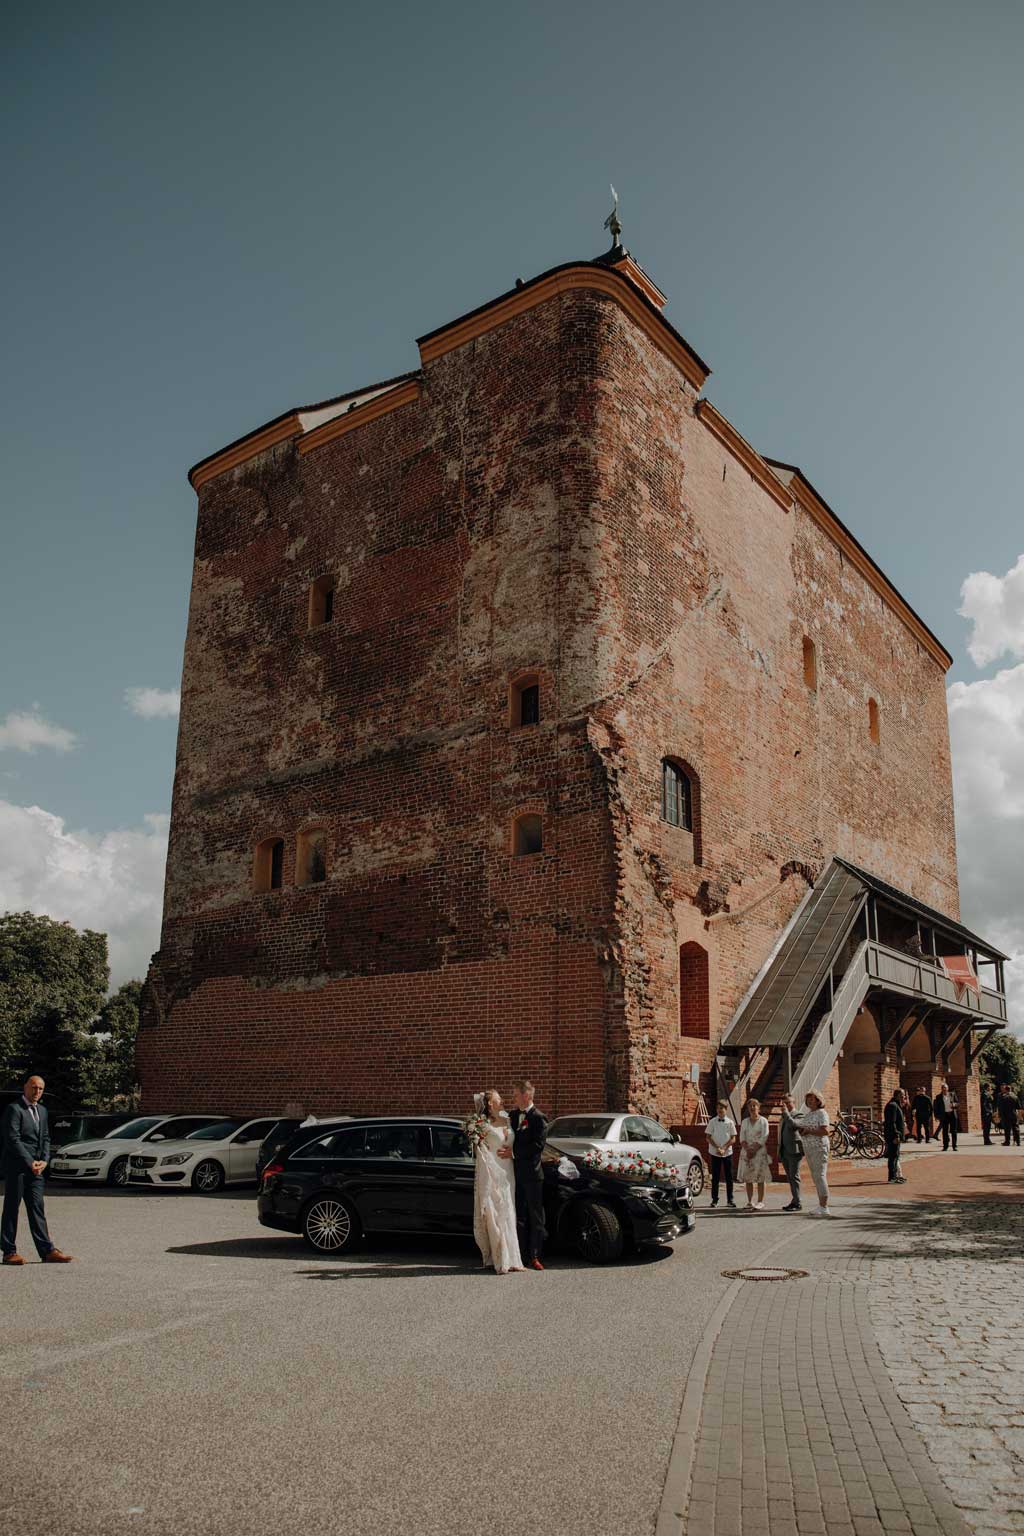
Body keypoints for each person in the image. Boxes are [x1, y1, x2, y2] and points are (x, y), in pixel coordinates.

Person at [1, 1075, 74, 1265]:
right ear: (25, 1087)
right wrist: (29, 1161)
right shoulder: (14, 1109)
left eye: (40, 1089)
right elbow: (13, 1139)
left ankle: (47, 1251)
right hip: (17, 1168)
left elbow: (46, 1138)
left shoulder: (42, 1110)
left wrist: (44, 1161)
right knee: (11, 1209)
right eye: (34, 1087)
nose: (37, 1092)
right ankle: (9, 1252)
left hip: (36, 1171)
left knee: (37, 1208)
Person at [469, 1090, 525, 1275]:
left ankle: (514, 1258)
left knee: (510, 1211)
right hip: (494, 1174)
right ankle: (502, 1259)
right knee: (499, 1213)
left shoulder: (507, 1119)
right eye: (498, 1099)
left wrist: (514, 1153)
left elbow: (515, 1144)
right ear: (490, 1103)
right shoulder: (482, 1125)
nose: (502, 1101)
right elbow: (482, 1155)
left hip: (509, 1172)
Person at [500, 1079, 547, 1270]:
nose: (513, 1098)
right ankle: (518, 1254)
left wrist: (513, 1153)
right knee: (518, 1215)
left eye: (516, 1094)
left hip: (533, 1176)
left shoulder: (539, 1118)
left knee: (535, 1216)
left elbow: (538, 1147)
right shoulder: (512, 1115)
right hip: (513, 1174)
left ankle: (535, 1255)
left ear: (526, 1095)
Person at [794, 1089, 833, 1217]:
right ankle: (821, 1205)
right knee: (816, 1177)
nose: (810, 1102)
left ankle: (824, 1206)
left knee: (820, 1175)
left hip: (819, 1147)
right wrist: (802, 1131)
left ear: (818, 1100)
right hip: (808, 1148)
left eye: (813, 1099)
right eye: (808, 1100)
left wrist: (809, 1131)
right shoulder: (809, 1114)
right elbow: (805, 1128)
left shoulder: (822, 1113)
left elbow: (825, 1131)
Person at [736, 1097, 770, 1211]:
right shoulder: (745, 1122)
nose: (752, 1108)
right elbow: (741, 1137)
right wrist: (748, 1149)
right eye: (750, 1106)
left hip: (759, 1152)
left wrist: (754, 1149)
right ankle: (750, 1201)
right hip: (746, 1153)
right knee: (748, 1178)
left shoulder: (763, 1121)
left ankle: (760, 1202)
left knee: (760, 1178)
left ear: (758, 1108)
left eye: (754, 1105)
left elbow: (764, 1136)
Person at [705, 1100, 737, 1208]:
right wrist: (717, 1148)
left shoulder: (730, 1122)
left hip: (727, 1153)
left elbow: (733, 1138)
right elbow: (708, 1137)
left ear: (726, 1110)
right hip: (715, 1152)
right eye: (718, 1108)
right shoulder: (712, 1122)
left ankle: (730, 1200)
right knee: (715, 1177)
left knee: (729, 1177)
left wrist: (724, 1148)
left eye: (722, 1108)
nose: (720, 1110)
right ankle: (714, 1200)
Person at [778, 1094, 804, 1212]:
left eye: (788, 1102)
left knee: (794, 1176)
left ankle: (798, 1202)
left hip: (795, 1150)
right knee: (790, 1177)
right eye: (784, 1103)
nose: (786, 1105)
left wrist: (786, 1113)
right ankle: (794, 1200)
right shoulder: (784, 1116)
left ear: (794, 1102)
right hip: (784, 1150)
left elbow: (793, 1126)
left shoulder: (798, 1114)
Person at [883, 1089, 907, 1183]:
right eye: (902, 1095)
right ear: (897, 1095)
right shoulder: (892, 1105)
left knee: (896, 1155)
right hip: (893, 1135)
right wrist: (896, 1135)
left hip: (896, 1135)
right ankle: (892, 1177)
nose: (903, 1096)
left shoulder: (896, 1105)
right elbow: (891, 1123)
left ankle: (896, 1176)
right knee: (892, 1156)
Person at [933, 1081, 959, 1151]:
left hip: (952, 1114)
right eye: (943, 1088)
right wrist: (937, 1116)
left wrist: (954, 1105)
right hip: (944, 1115)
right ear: (941, 1089)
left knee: (954, 1131)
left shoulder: (952, 1094)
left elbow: (958, 1103)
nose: (945, 1090)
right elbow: (936, 1107)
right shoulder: (938, 1097)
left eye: (946, 1088)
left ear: (948, 1089)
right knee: (945, 1131)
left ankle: (954, 1146)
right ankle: (945, 1146)